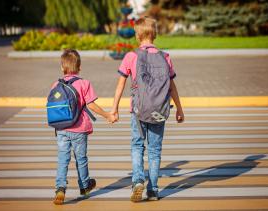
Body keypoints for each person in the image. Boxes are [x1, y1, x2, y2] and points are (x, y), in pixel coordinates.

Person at [111, 17, 185, 202]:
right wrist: (179, 109)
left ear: (137, 35)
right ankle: (153, 189)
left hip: (138, 110)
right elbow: (172, 87)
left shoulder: (131, 56)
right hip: (159, 110)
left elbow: (120, 84)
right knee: (155, 150)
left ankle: (137, 181)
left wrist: (114, 109)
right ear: (155, 35)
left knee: (137, 146)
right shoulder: (165, 57)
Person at [53, 49, 116, 205]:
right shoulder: (84, 83)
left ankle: (60, 188)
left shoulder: (56, 84)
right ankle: (84, 185)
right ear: (79, 67)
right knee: (81, 159)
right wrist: (107, 115)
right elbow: (91, 105)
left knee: (63, 159)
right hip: (79, 129)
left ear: (62, 67)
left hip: (61, 129)